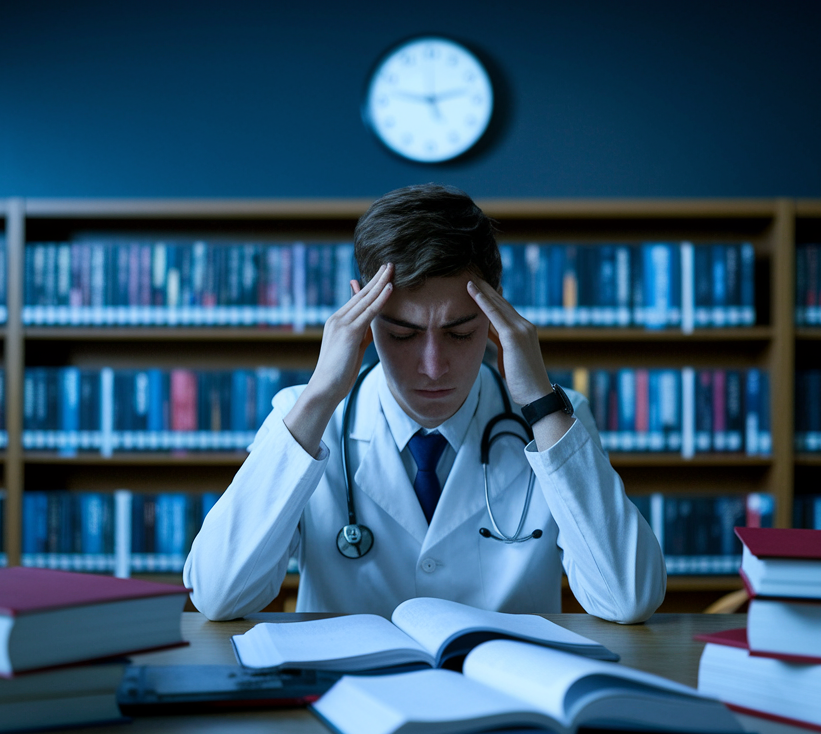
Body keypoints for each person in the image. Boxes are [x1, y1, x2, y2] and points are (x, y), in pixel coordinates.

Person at [183, 185, 665, 623]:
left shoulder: (553, 419)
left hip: (504, 705)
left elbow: (628, 598)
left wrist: (540, 402)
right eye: (402, 334)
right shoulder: (308, 418)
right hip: (348, 704)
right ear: (361, 317)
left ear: (496, 317)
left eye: (459, 333)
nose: (433, 366)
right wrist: (319, 396)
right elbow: (219, 595)